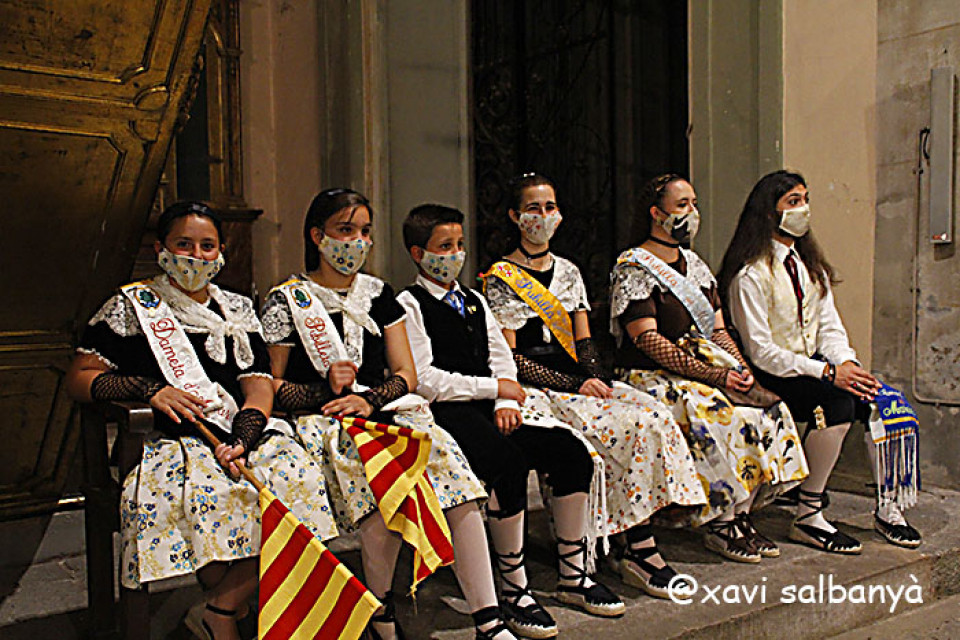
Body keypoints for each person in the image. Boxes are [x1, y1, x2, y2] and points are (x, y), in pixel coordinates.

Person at [66, 202, 337, 640]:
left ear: (221, 251)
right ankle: (225, 607)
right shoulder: (132, 306)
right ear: (161, 249)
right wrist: (147, 389)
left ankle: (219, 607)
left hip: (240, 434)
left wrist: (245, 435)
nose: (196, 255)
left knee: (301, 481)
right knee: (212, 494)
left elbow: (259, 386)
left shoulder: (238, 307)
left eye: (207, 246)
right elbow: (80, 378)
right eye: (184, 244)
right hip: (169, 441)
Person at [261, 188, 517, 640]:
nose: (357, 242)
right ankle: (381, 612)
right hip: (323, 422)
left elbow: (406, 373)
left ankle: (489, 618)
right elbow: (271, 386)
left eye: (364, 232)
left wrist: (370, 400)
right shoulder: (287, 300)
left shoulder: (378, 294)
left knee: (459, 485)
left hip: (381, 411)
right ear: (317, 236)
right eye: (345, 230)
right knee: (381, 497)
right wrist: (324, 390)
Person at [397, 204, 625, 639]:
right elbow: (426, 378)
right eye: (444, 247)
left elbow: (502, 358)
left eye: (459, 245)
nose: (455, 254)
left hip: (493, 403)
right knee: (506, 462)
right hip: (449, 410)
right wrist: (492, 390)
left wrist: (506, 399)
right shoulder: (409, 304)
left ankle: (573, 573)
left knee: (569, 450)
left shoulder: (474, 300)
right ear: (418, 253)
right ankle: (514, 585)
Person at [481, 172, 705, 598]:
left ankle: (636, 540)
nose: (543, 216)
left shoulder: (568, 271)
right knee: (615, 431)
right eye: (533, 208)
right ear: (514, 216)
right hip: (537, 386)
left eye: (550, 207)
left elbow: (583, 341)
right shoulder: (501, 276)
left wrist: (597, 379)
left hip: (577, 381)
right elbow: (513, 358)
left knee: (649, 416)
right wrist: (574, 385)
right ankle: (628, 545)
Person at [609, 174, 809, 564]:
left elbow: (717, 330)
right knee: (719, 414)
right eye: (682, 205)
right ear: (656, 213)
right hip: (653, 375)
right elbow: (647, 339)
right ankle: (719, 522)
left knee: (766, 407)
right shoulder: (634, 267)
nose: (692, 212)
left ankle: (740, 515)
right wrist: (716, 376)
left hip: (701, 368)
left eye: (694, 204)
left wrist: (740, 369)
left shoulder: (694, 265)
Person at [718, 169, 921, 552]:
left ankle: (889, 507)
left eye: (806, 199)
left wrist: (847, 365)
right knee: (836, 405)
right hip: (770, 373)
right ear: (769, 213)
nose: (804, 209)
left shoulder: (809, 266)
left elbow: (830, 327)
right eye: (793, 202)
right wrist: (827, 373)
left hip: (813, 365)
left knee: (881, 399)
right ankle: (809, 515)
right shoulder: (750, 275)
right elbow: (761, 351)